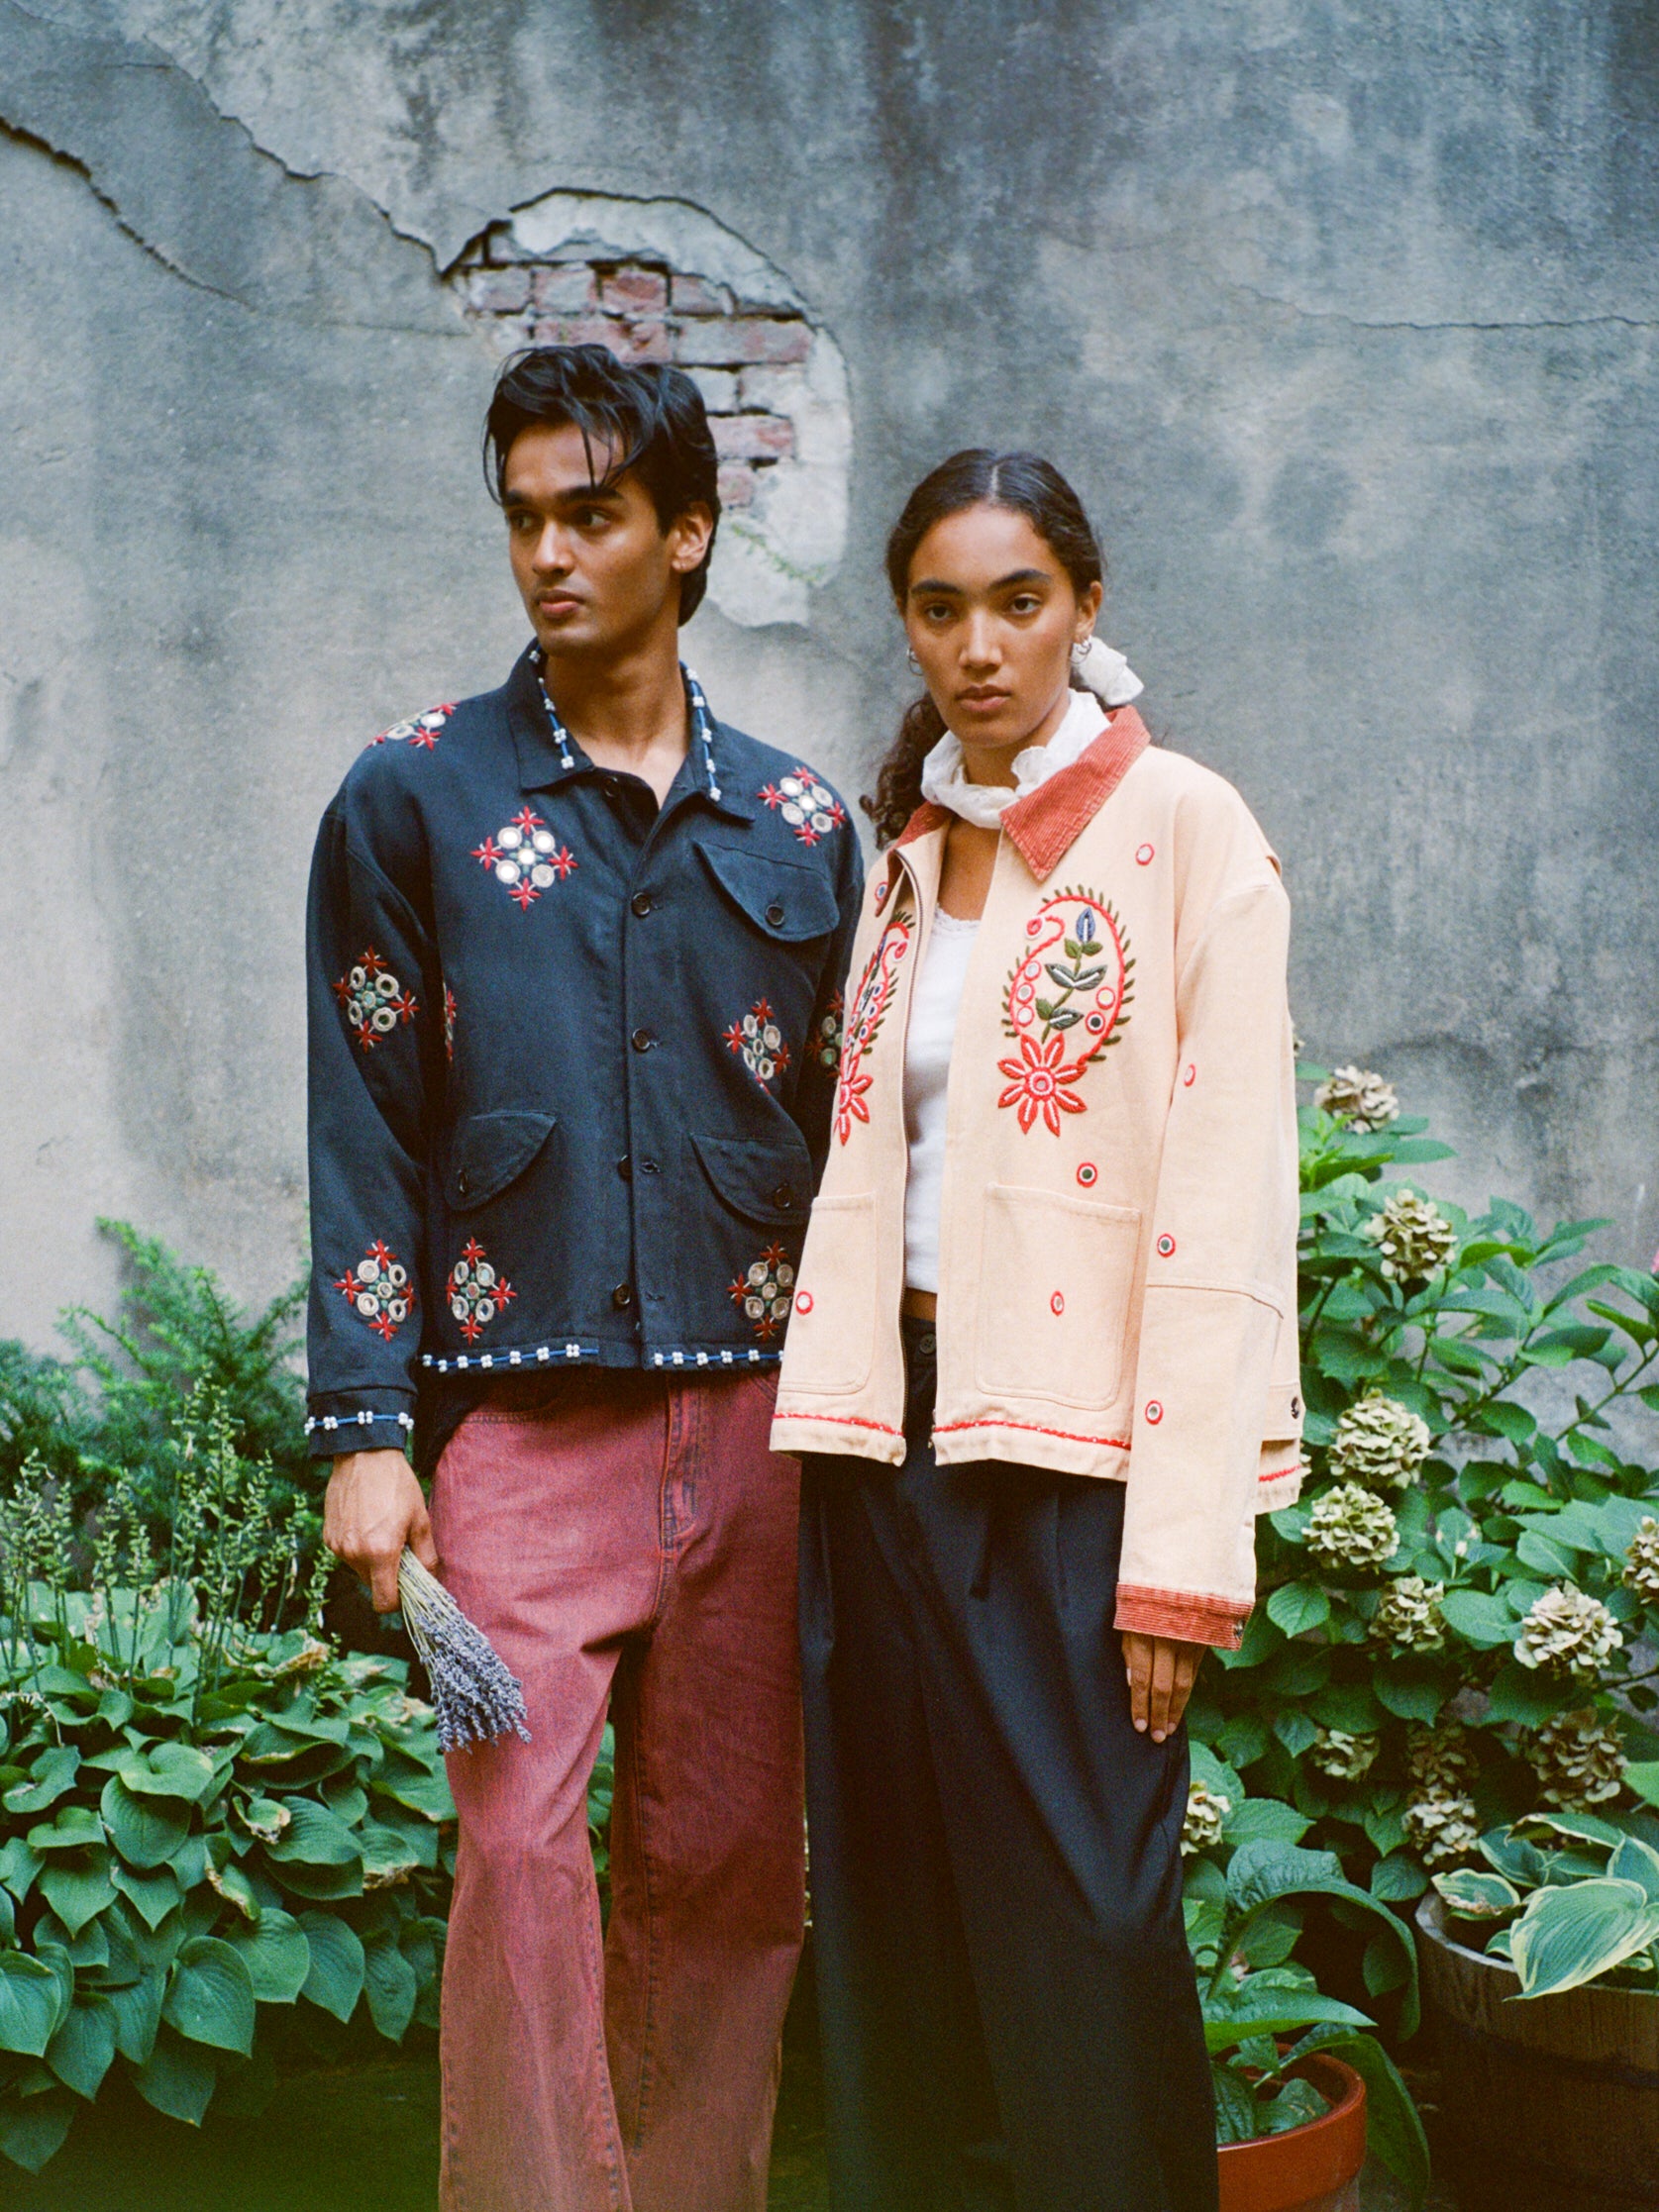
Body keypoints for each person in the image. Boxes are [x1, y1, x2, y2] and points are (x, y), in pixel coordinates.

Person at [306, 344, 862, 2212]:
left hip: (760, 1421)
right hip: (524, 1429)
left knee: (724, 1871)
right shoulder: (414, 797)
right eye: (525, 516)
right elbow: (366, 1119)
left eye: (593, 514)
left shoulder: (799, 827)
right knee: (521, 1863)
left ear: (686, 535)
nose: (549, 551)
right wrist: (368, 1429)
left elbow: (853, 1148)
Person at [772, 450, 1304, 2211]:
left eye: (1019, 601)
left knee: (1086, 1910)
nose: (980, 645)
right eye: (940, 608)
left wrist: (1179, 1552)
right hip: (888, 1445)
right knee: (901, 1915)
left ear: (1085, 604)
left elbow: (1227, 1210)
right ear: (907, 627)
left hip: (1069, 1468)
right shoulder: (913, 856)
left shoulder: (1188, 833)